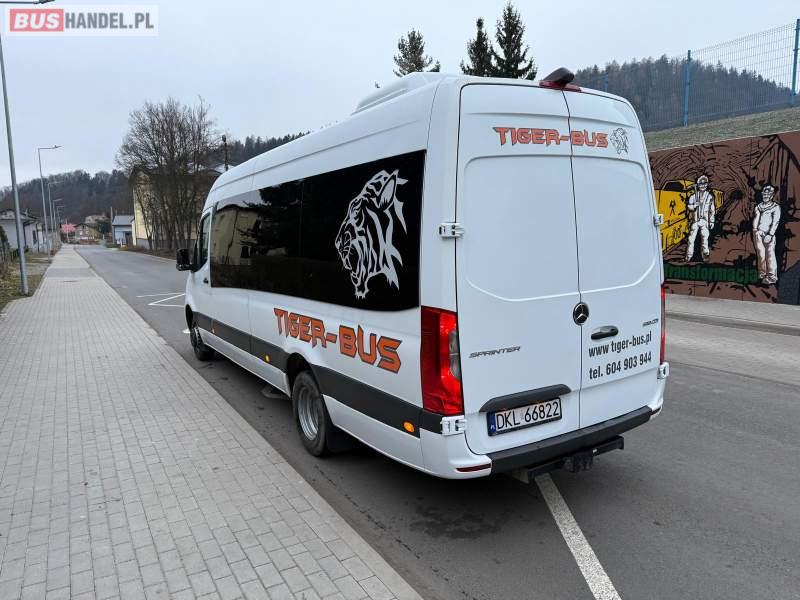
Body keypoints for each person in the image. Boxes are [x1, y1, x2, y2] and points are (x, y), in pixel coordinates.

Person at [752, 185, 781, 285]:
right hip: (758, 233)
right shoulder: (758, 207)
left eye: (768, 194)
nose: (766, 196)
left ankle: (772, 276)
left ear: (772, 195)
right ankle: (762, 273)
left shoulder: (775, 207)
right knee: (761, 254)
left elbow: (775, 222)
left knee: (770, 255)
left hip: (769, 235)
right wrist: (755, 230)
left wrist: (770, 234)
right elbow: (756, 219)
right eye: (764, 194)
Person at [685, 175, 715, 262]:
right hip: (695, 221)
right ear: (698, 185)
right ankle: (689, 256)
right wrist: (695, 205)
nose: (703, 186)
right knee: (691, 239)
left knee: (705, 239)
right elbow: (689, 207)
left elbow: (712, 210)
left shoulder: (709, 197)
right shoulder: (693, 196)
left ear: (707, 185)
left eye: (705, 183)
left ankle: (705, 255)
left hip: (705, 221)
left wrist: (711, 221)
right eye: (701, 184)